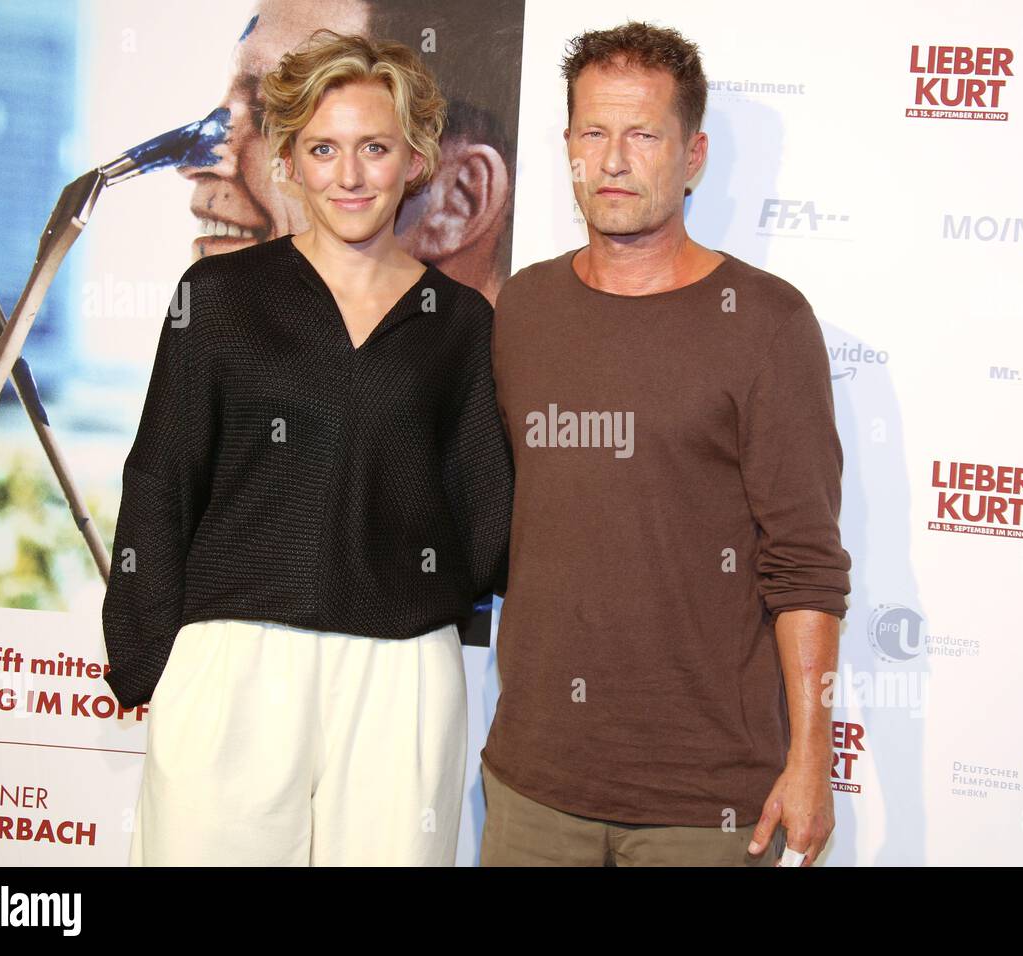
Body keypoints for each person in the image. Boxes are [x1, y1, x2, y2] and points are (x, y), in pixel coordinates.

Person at [102, 30, 513, 866]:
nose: (350, 175)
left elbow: (489, 509)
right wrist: (151, 660)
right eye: (323, 149)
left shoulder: (462, 323)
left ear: (417, 159)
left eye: (374, 148)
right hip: (233, 661)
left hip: (400, 677)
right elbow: (159, 479)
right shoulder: (218, 298)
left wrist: (399, 593)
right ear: (291, 158)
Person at [480, 21, 852, 867]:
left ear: (693, 157)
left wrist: (810, 760)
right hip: (533, 783)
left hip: (708, 801)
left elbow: (806, 565)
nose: (613, 161)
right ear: (568, 147)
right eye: (593, 133)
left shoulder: (767, 322)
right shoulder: (522, 311)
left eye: (643, 135)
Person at [178, 0, 524, 304]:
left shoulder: (463, 326)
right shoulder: (208, 300)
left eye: (263, 113)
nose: (194, 160)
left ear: (458, 198)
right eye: (324, 148)